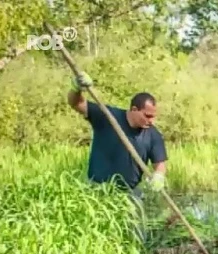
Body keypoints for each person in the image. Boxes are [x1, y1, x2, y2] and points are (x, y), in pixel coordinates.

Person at [67, 72, 168, 240]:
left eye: (154, 116)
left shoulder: (153, 134)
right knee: (95, 236)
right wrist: (76, 89)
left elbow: (160, 162)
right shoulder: (108, 116)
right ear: (134, 110)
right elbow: (76, 103)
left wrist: (159, 175)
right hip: (98, 191)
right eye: (148, 115)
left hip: (130, 194)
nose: (151, 121)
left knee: (136, 238)